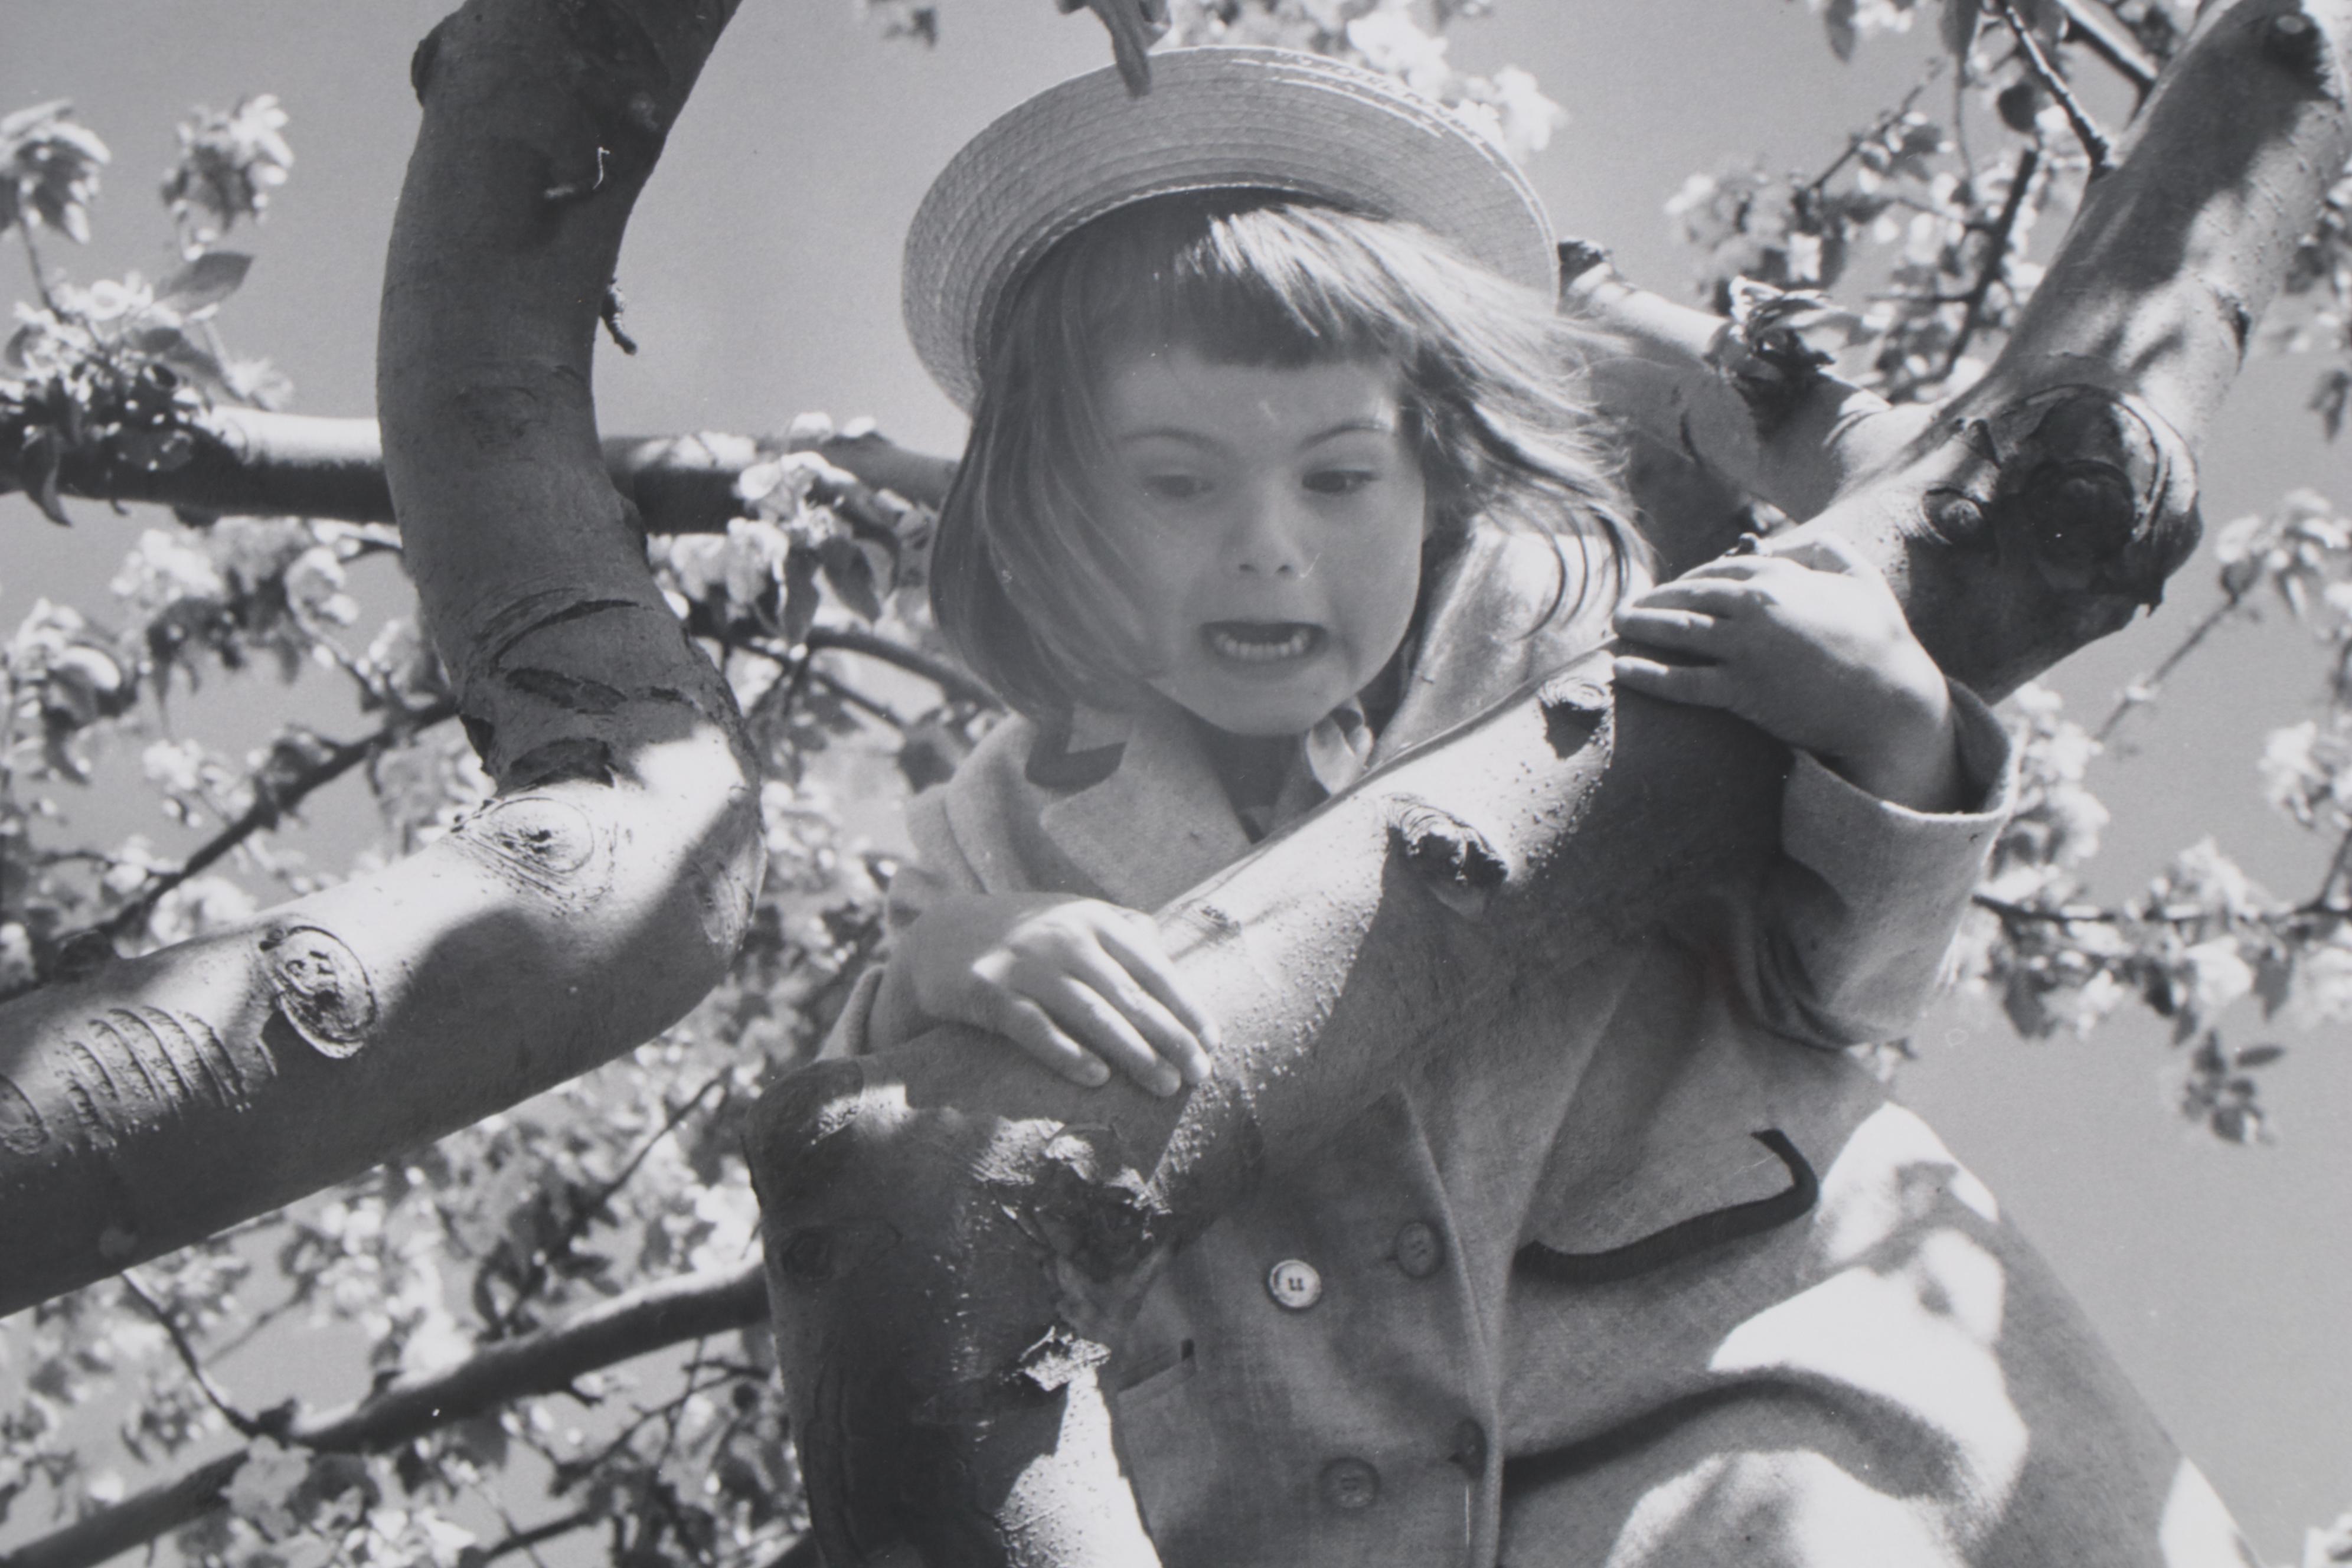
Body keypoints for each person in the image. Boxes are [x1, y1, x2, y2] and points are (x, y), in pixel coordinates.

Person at [827, 45, 2254, 1567]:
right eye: (1176, 484)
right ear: (1059, 504)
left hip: (1726, 1398)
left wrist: (1890, 724)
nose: (1267, 548)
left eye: (1337, 478)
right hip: (1297, 1488)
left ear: (1434, 476)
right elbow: (884, 1146)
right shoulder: (1013, 806)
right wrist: (945, 960)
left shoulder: (1585, 644)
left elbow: (1836, 982)